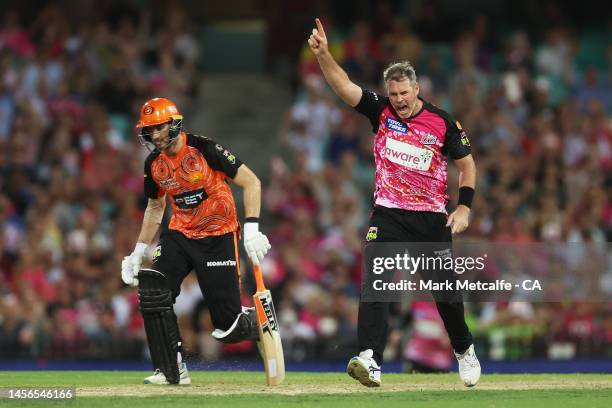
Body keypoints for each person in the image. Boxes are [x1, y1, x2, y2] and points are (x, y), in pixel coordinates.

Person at [308, 18, 480, 387]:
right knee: (376, 279)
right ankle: (370, 358)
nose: (399, 100)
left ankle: (464, 349)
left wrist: (464, 207)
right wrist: (323, 55)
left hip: (431, 217)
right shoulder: (380, 110)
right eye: (394, 93)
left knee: (445, 294)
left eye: (405, 93)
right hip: (387, 212)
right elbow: (344, 87)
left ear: (417, 88)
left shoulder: (443, 122)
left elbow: (467, 166)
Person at [120, 97, 271, 385]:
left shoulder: (205, 149)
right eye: (149, 130)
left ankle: (258, 324)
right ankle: (170, 370)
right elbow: (155, 207)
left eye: (159, 128)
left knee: (228, 329)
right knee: (154, 287)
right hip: (180, 233)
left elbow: (252, 182)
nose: (155, 136)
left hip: (218, 235)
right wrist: (138, 251)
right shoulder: (154, 163)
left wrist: (251, 228)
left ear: (174, 123)